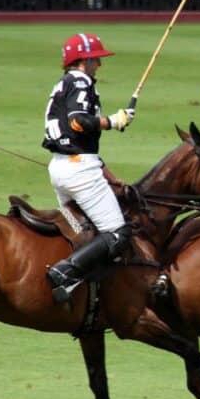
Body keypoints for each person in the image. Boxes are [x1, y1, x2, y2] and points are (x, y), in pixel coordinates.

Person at [44, 33, 135, 303]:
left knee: (84, 232)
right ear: (83, 61)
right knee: (118, 233)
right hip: (79, 173)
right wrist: (113, 121)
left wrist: (110, 177)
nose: (99, 65)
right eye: (96, 59)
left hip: (61, 169)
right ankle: (64, 273)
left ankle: (84, 291)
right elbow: (78, 123)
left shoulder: (63, 83)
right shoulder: (81, 82)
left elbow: (80, 141)